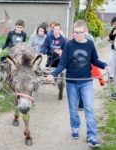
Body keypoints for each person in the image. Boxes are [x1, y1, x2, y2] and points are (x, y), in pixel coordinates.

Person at [47, 20, 110, 148]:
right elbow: (62, 64)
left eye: (80, 32)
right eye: (75, 32)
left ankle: (92, 136)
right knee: (73, 109)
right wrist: (52, 74)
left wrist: (104, 65)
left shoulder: (90, 44)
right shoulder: (69, 45)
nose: (77, 35)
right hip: (71, 82)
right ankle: (75, 127)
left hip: (86, 82)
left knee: (89, 109)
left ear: (85, 32)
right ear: (73, 32)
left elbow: (95, 60)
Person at [108, 16, 116, 81]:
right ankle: (111, 77)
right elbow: (110, 38)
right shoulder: (113, 29)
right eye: (113, 23)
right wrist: (113, 34)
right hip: (113, 49)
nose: (114, 24)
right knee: (111, 62)